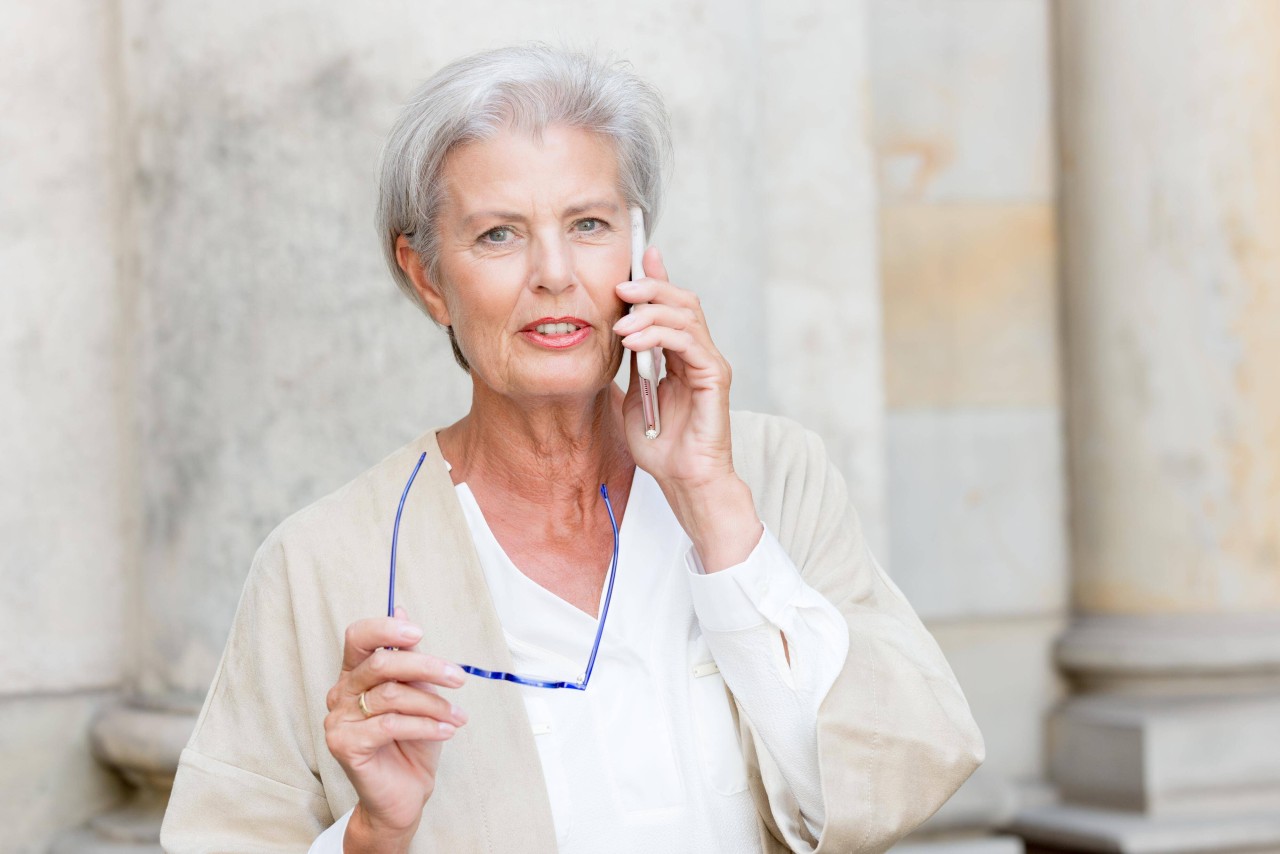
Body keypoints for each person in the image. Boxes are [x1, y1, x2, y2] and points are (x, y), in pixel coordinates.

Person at [160, 44, 984, 854]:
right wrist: (375, 837)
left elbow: (890, 781)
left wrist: (716, 507)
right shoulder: (321, 563)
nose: (554, 273)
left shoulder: (774, 476)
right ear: (427, 277)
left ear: (636, 246)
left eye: (589, 224)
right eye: (498, 236)